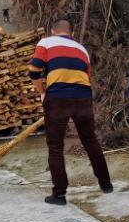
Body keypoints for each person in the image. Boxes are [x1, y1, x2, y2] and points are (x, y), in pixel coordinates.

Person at [29, 19, 112, 205]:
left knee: (55, 146)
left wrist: (43, 92)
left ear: (52, 31)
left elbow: (33, 70)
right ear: (71, 34)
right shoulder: (82, 50)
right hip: (83, 97)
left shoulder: (46, 42)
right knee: (90, 141)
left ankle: (59, 194)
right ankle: (106, 184)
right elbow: (85, 77)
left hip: (58, 98)